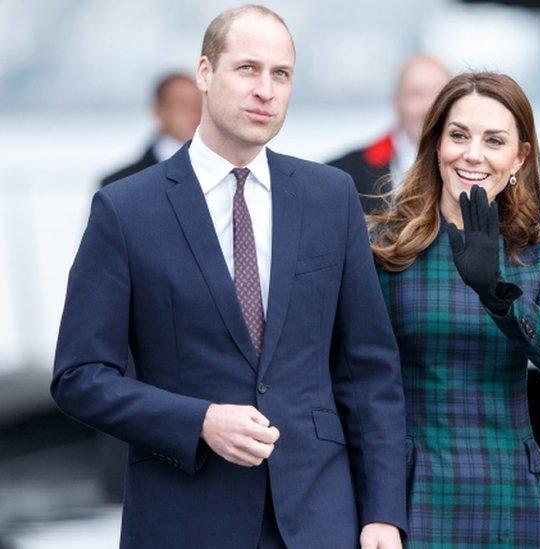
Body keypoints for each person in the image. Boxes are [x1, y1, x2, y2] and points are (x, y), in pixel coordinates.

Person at [51, 5, 405, 548]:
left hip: (319, 519)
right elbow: (79, 376)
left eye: (280, 74)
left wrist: (383, 513)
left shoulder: (330, 198)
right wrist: (199, 420)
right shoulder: (125, 210)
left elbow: (369, 370)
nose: (265, 89)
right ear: (205, 73)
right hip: (184, 517)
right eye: (247, 69)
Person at [369, 72, 540, 547]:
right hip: (415, 488)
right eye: (459, 135)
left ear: (519, 157)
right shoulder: (383, 246)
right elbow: (356, 382)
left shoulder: (538, 250)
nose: (473, 154)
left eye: (494, 140)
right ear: (436, 146)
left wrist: (497, 290)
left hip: (510, 489)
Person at [328, 54, 451, 213]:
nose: (428, 106)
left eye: (438, 94)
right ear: (397, 101)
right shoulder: (343, 175)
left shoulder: (474, 168)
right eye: (416, 94)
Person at [100, 72, 202, 187]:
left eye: (200, 103)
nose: (194, 111)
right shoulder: (118, 184)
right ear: (159, 111)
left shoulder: (221, 172)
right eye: (182, 103)